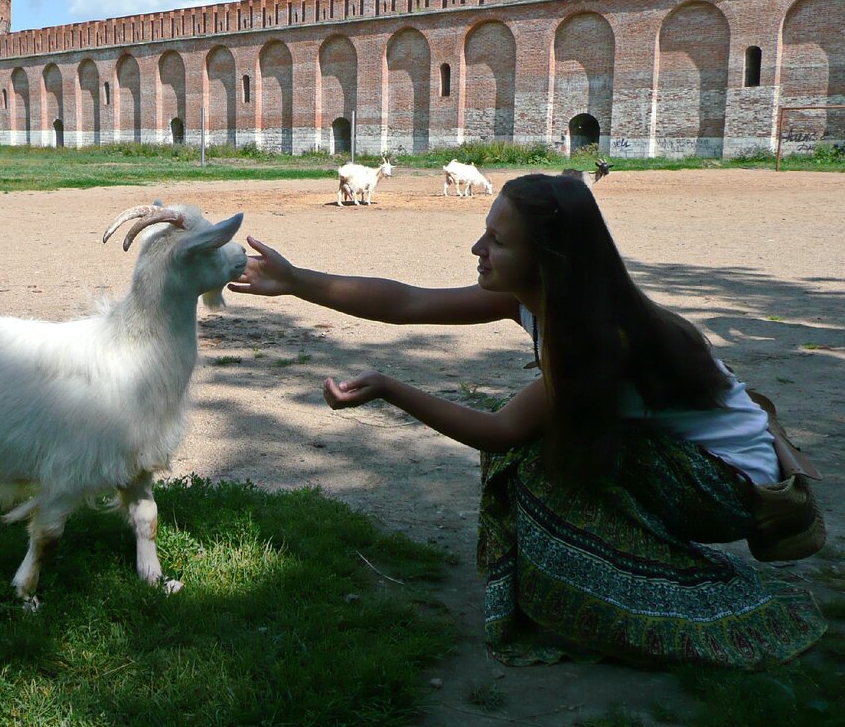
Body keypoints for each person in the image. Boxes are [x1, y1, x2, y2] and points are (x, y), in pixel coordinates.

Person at [228, 172, 824, 669]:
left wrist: (389, 387)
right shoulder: (549, 297)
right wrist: (296, 281)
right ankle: (613, 570)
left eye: (497, 241)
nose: (477, 251)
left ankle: (664, 594)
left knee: (534, 460)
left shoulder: (595, 339)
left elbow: (503, 431)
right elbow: (406, 302)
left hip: (734, 490)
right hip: (702, 465)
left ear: (549, 259)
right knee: (549, 450)